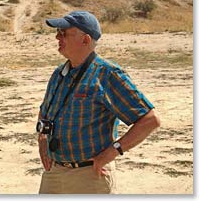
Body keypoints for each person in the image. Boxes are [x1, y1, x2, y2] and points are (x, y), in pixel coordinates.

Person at [37, 11, 160, 194]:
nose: (57, 37)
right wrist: (42, 139)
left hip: (90, 175)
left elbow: (150, 120)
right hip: (54, 173)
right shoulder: (59, 74)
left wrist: (113, 151)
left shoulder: (107, 74)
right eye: (58, 32)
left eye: (64, 33)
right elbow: (44, 112)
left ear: (85, 40)